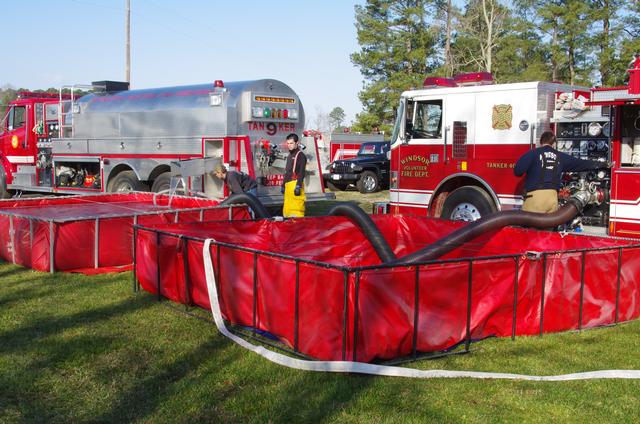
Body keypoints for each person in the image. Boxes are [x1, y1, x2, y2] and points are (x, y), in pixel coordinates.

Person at [514, 130, 609, 213]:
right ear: (554, 143)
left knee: (529, 230)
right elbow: (581, 163)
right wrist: (602, 164)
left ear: (540, 142)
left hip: (534, 198)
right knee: (548, 231)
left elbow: (518, 171)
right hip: (552, 198)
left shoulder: (533, 153)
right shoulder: (560, 156)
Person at [281, 133, 307, 217]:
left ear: (297, 143)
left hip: (295, 186)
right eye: (288, 143)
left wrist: (298, 186)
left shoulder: (301, 156)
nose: (289, 145)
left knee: (296, 213)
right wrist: (283, 185)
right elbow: (287, 172)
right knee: (287, 212)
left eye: (291, 143)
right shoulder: (290, 155)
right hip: (288, 187)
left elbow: (301, 172)